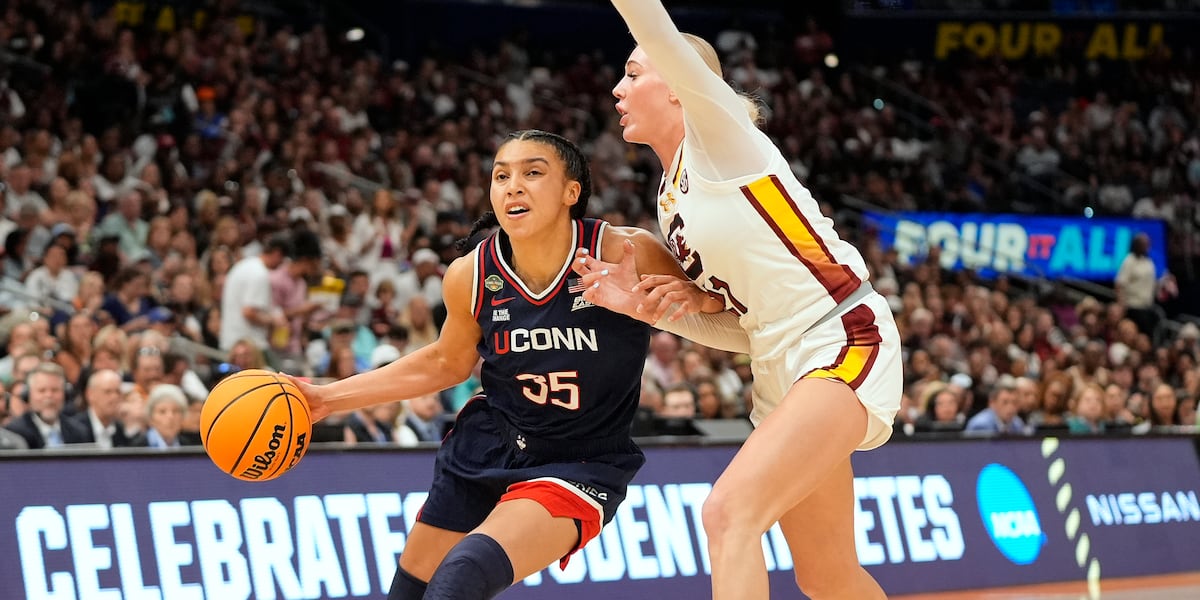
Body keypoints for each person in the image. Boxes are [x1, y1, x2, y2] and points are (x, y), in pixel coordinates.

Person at [573, 3, 903, 597]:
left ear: (678, 88)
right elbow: (744, 331)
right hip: (779, 366)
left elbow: (654, 25)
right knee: (827, 574)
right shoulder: (671, 199)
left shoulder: (719, 136)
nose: (617, 87)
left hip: (840, 337)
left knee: (728, 513)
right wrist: (647, 308)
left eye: (633, 72)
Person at [291, 130, 660, 600]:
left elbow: (718, 308)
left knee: (462, 575)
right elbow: (446, 363)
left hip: (578, 459)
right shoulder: (470, 273)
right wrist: (325, 398)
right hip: (491, 441)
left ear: (572, 191)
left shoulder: (624, 252)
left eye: (532, 172)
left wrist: (662, 306)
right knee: (409, 593)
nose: (513, 186)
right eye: (501, 175)